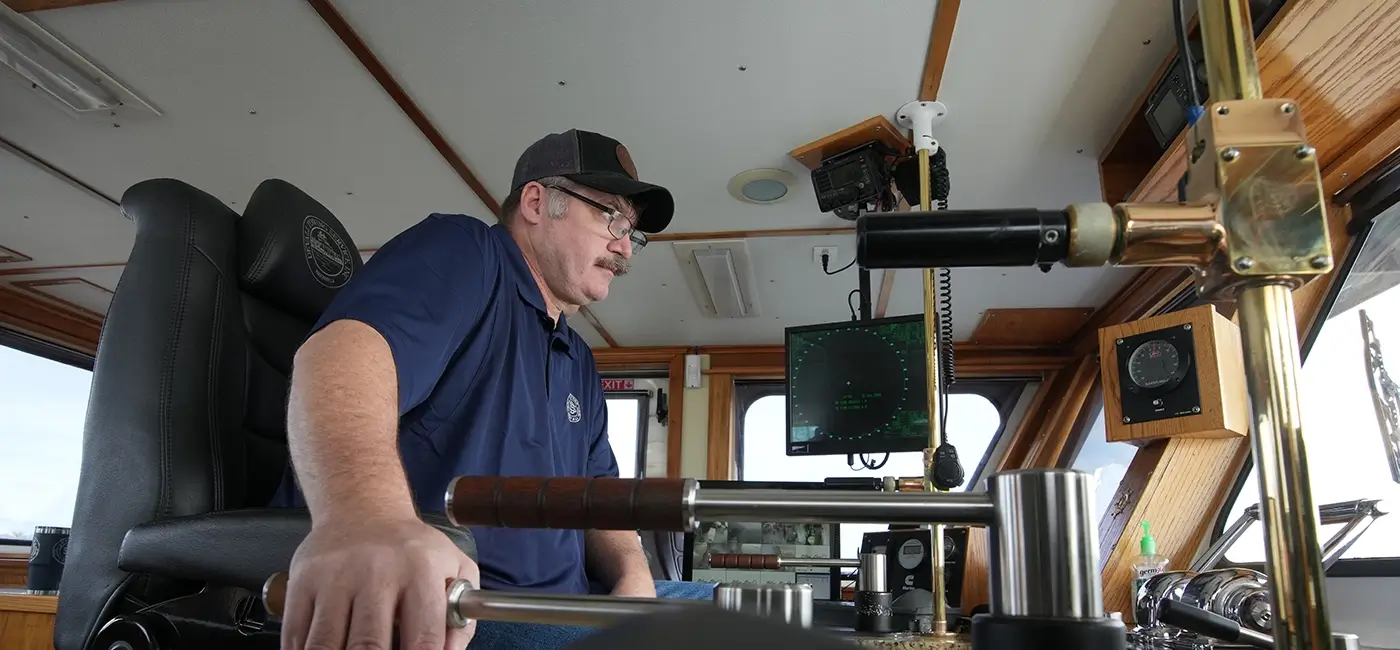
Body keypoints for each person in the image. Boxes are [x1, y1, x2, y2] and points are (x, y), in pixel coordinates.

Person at [268, 129, 710, 650]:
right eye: (611, 216)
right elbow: (341, 357)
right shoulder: (467, 252)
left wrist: (634, 576)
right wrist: (366, 521)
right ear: (537, 202)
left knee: (794, 619)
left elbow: (601, 498)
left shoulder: (579, 360)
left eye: (632, 233)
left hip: (571, 605)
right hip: (470, 606)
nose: (624, 247)